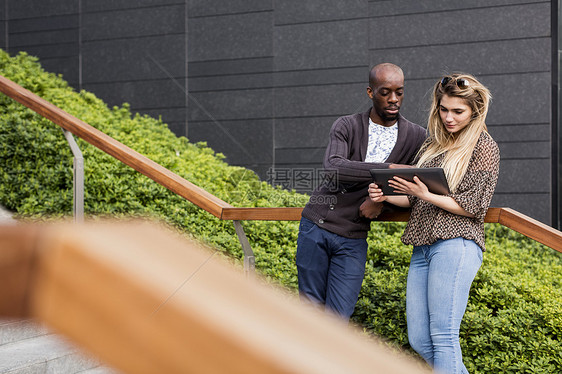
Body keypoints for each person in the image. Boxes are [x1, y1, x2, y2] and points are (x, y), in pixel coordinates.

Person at [368, 73, 500, 373]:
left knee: (443, 337)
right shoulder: (435, 145)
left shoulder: (483, 147)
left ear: (475, 112)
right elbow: (414, 199)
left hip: (456, 244)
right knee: (420, 340)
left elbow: (474, 206)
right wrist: (387, 195)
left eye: (458, 111)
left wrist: (424, 193)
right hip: (424, 247)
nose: (449, 117)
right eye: (444, 109)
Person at [296, 63, 427, 320]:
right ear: (370, 92)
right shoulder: (346, 125)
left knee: (339, 318)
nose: (393, 99)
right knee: (308, 316)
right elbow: (334, 167)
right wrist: (389, 168)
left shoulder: (416, 136)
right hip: (316, 226)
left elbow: (417, 187)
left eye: (399, 92)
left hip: (354, 237)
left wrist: (382, 202)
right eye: (385, 92)